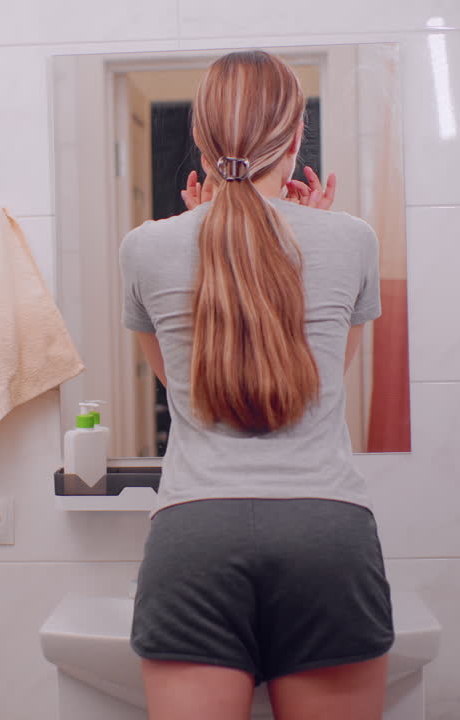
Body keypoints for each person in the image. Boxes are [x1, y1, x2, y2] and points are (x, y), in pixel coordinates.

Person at [119, 50, 392, 720]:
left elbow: (183, 387)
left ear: (203, 140)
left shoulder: (145, 248)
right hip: (327, 532)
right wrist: (312, 235)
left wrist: (205, 235)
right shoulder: (353, 240)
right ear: (297, 139)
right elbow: (328, 380)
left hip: (194, 536)